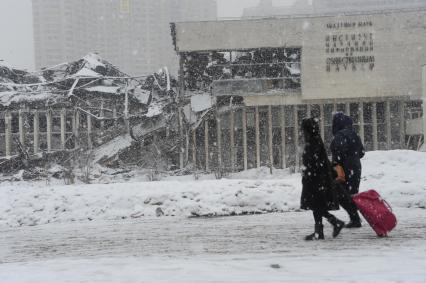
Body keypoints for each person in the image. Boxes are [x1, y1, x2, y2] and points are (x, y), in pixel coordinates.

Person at [300, 118, 345, 240]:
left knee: (316, 205)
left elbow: (313, 161)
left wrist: (308, 172)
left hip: (316, 179)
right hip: (318, 178)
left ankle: (327, 227)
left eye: (303, 130)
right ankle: (325, 228)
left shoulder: (313, 142)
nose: (302, 132)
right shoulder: (315, 140)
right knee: (317, 205)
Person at [330, 112, 365, 228]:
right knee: (352, 193)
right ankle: (356, 219)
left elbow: (338, 152)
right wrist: (353, 157)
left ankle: (355, 218)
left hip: (344, 168)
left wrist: (337, 163)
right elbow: (361, 152)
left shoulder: (340, 135)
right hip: (356, 167)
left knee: (341, 194)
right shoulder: (354, 134)